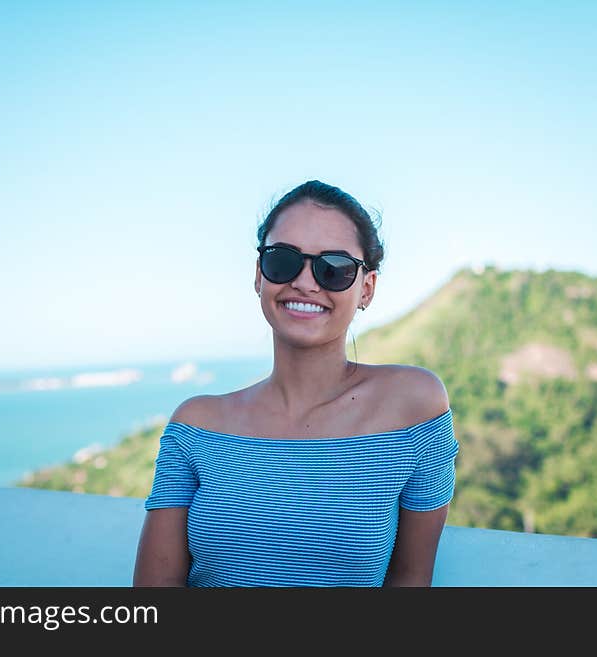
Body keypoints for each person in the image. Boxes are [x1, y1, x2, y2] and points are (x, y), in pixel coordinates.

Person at [133, 180, 459, 587]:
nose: (306, 282)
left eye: (334, 267)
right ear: (259, 276)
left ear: (367, 288)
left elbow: (410, 579)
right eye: (283, 260)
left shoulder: (414, 407)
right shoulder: (196, 425)